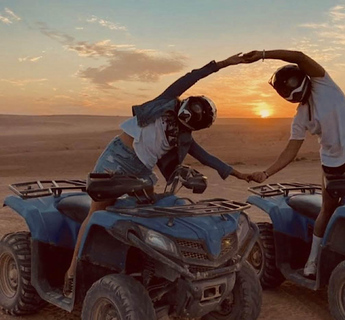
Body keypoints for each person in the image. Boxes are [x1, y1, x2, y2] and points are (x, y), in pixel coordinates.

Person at [63, 53, 251, 297]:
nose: (189, 115)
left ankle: (145, 268)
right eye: (190, 109)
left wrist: (239, 173)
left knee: (152, 212)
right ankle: (72, 270)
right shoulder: (166, 101)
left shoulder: (184, 138)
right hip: (117, 160)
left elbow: (207, 158)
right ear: (185, 103)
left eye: (195, 117)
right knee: (96, 212)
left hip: (142, 171)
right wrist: (224, 64)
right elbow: (191, 77)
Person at [242, 50, 345, 277]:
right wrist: (266, 173)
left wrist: (264, 54)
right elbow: (291, 150)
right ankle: (313, 261)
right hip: (332, 164)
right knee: (328, 209)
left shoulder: (323, 83)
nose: (290, 93)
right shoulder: (301, 116)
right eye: (285, 92)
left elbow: (299, 56)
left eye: (290, 87)